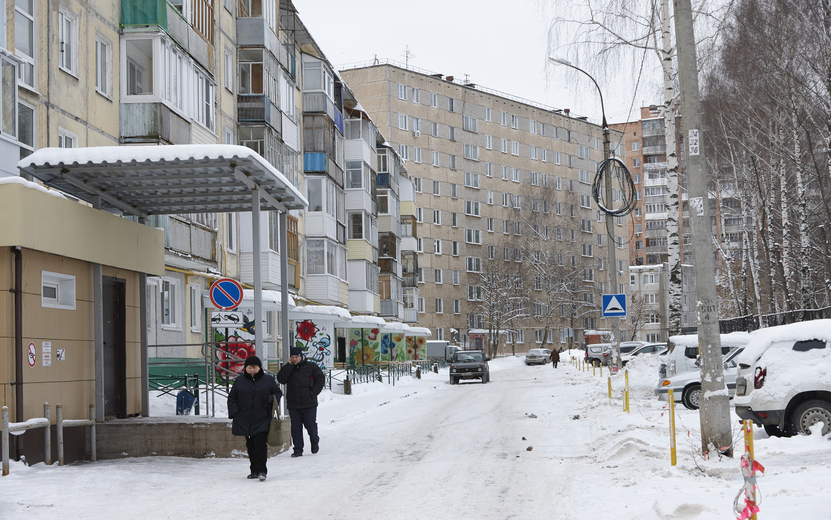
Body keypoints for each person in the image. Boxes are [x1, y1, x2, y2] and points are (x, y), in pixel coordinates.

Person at [227, 355, 282, 481]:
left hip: (262, 417)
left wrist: (270, 399)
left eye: (254, 367)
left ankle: (262, 470)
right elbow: (232, 398)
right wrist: (235, 412)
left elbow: (278, 393)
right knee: (250, 445)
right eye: (249, 367)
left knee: (260, 444)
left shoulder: (268, 380)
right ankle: (254, 470)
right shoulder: (239, 381)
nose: (252, 370)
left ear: (259, 368)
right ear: (245, 368)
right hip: (245, 418)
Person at [277, 347, 325, 458]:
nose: (294, 359)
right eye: (292, 357)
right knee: (295, 427)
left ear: (301, 356)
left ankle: (314, 441)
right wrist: (289, 366)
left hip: (309, 403)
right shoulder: (288, 368)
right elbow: (281, 379)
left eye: (296, 357)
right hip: (294, 404)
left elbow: (320, 379)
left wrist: (312, 393)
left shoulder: (311, 366)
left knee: (310, 425)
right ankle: (298, 449)